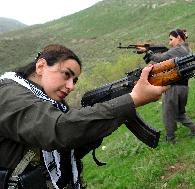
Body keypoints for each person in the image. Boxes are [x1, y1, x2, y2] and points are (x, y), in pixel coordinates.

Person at [0, 44, 168, 189]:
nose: (71, 86)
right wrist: (132, 100)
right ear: (41, 66)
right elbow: (59, 130)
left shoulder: (49, 101)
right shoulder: (8, 94)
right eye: (67, 74)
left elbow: (65, 150)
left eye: (75, 80)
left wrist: (99, 127)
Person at [138, 29, 195, 144]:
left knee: (168, 114)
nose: (169, 43)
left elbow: (160, 59)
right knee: (179, 113)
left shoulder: (178, 49)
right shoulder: (187, 49)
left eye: (171, 39)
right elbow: (166, 55)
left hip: (174, 87)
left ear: (178, 37)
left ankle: (170, 138)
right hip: (184, 88)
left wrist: (147, 52)